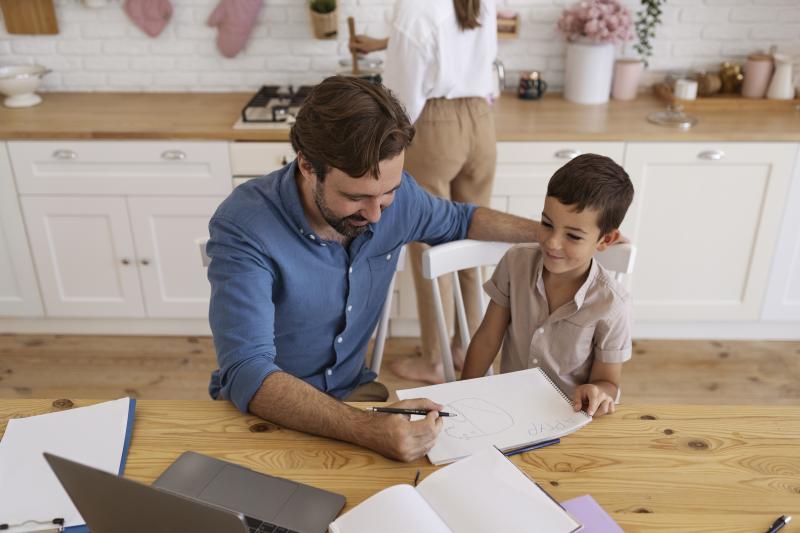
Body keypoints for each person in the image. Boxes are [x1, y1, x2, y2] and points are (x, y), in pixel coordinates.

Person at [206, 76, 544, 462]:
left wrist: (549, 234)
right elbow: (247, 370)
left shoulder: (395, 202)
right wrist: (367, 429)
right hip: (268, 413)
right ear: (306, 165)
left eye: (389, 193)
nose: (376, 213)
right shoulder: (245, 224)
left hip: (353, 399)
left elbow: (461, 219)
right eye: (356, 197)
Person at [350, 0, 498, 384]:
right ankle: (468, 346)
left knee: (429, 241)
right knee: (471, 236)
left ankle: (435, 359)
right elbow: (450, 39)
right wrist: (386, 42)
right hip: (481, 122)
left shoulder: (413, 10)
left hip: (435, 124)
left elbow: (401, 97)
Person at [461, 154, 634, 418]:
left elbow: (608, 383)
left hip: (570, 417)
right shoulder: (516, 262)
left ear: (605, 240)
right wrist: (461, 398)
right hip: (508, 410)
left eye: (573, 236)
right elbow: (487, 339)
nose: (552, 242)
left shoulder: (612, 304)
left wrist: (598, 391)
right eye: (547, 224)